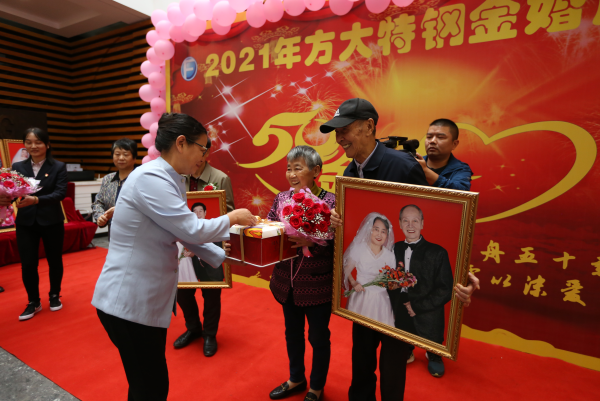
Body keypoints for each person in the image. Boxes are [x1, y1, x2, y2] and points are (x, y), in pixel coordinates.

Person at [320, 98, 480, 401]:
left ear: (369, 126)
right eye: (336, 132)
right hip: (366, 292)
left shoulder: (404, 166)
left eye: (345, 129)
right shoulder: (350, 174)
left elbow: (440, 220)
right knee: (361, 358)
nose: (339, 138)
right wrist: (336, 223)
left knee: (393, 364)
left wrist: (461, 271)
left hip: (400, 294)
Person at [91, 113, 256, 401]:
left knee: (148, 384)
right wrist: (232, 218)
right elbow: (191, 228)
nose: (204, 155)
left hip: (143, 299)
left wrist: (226, 256)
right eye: (202, 147)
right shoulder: (150, 178)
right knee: (150, 387)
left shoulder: (169, 178)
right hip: (127, 300)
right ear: (181, 143)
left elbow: (182, 234)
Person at [267, 146, 336, 401]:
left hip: (317, 285)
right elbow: (270, 223)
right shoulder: (281, 198)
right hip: (286, 283)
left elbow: (340, 242)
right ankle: (296, 378)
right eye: (289, 168)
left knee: (318, 337)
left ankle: (316, 387)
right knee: (292, 333)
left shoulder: (332, 202)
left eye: (298, 168)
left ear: (316, 171)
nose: (292, 174)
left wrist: (313, 242)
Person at [173, 137, 235, 356]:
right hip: (181, 247)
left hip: (210, 246)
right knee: (182, 291)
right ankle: (193, 328)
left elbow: (229, 215)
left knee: (211, 293)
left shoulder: (220, 178)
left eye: (201, 151)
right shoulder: (177, 178)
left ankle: (209, 334)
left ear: (206, 152)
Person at [388, 205, 453, 377]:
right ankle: (406, 348)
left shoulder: (438, 252)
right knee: (398, 324)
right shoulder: (394, 248)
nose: (410, 225)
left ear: (422, 223)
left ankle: (433, 353)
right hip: (400, 304)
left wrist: (417, 306)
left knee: (431, 330)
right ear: (400, 224)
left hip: (426, 306)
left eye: (415, 221)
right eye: (406, 221)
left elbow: (446, 289)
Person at [10, 128, 67, 321]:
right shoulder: (18, 166)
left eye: (38, 142)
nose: (33, 146)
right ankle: (33, 301)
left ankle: (54, 295)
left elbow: (60, 193)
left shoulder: (58, 166)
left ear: (47, 144)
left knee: (54, 260)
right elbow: (14, 192)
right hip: (26, 222)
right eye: (29, 142)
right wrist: (5, 198)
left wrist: (36, 200)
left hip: (52, 221)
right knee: (28, 263)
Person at [343, 213, 396, 327]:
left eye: (383, 231)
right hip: (361, 295)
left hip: (381, 300)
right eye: (376, 229)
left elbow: (392, 279)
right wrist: (354, 283)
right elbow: (346, 269)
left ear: (387, 234)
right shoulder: (359, 248)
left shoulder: (390, 256)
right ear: (370, 230)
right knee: (360, 331)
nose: (379, 234)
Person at [91, 138, 137, 237]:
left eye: (126, 154)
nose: (121, 158)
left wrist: (120, 209)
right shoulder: (108, 179)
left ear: (134, 158)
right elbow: (98, 203)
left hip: (136, 232)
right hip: (113, 233)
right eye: (117, 154)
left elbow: (144, 205)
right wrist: (100, 216)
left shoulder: (141, 178)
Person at [415, 119, 473, 190]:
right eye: (429, 137)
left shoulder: (461, 169)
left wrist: (426, 171)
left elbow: (461, 192)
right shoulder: (414, 163)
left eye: (440, 137)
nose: (432, 141)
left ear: (454, 144)